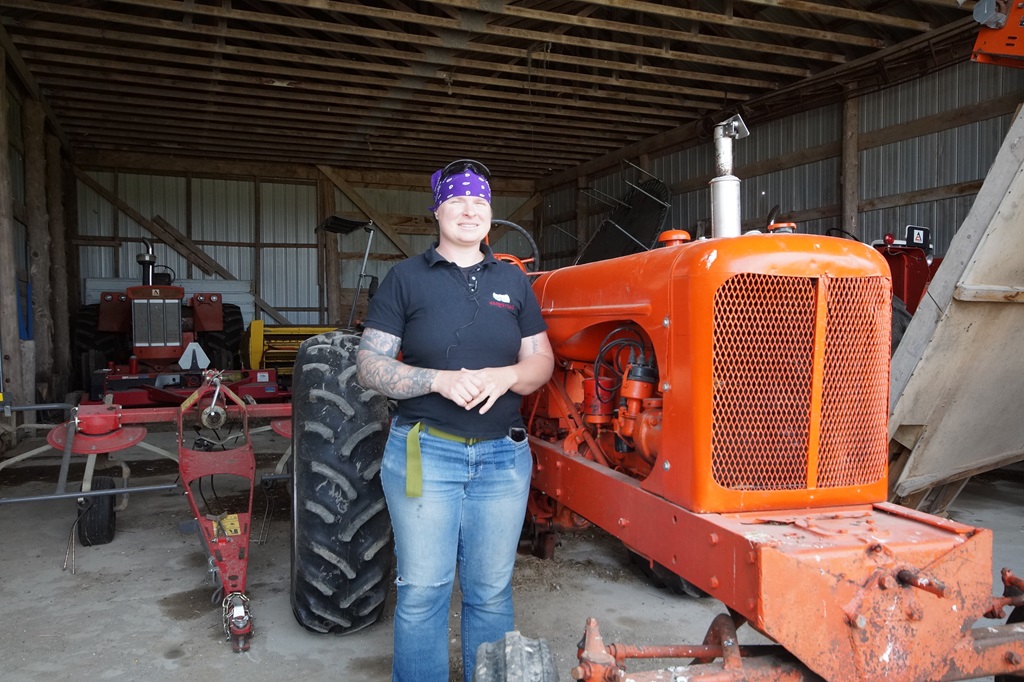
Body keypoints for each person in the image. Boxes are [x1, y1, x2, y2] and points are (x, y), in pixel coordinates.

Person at [356, 159, 555, 682]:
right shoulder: (405, 279)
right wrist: (435, 380)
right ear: (437, 211)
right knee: (423, 590)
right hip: (427, 452)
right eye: (458, 201)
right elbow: (371, 366)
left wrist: (506, 375)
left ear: (490, 216)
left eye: (481, 203)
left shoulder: (513, 281)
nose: (470, 210)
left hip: (503, 457)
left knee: (490, 590)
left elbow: (541, 364)